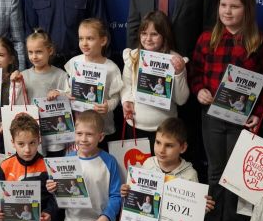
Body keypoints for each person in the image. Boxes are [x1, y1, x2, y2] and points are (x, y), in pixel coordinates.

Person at [189, 0, 263, 221]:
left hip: (243, 121)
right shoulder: (207, 38)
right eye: (223, 5)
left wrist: (259, 113)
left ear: (247, 9)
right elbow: (195, 73)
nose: (227, 11)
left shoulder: (260, 42)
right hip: (212, 117)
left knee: (237, 176)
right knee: (216, 171)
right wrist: (200, 90)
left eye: (234, 6)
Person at [46, 110, 122, 221]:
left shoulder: (109, 161)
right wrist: (53, 189)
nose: (83, 139)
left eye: (89, 134)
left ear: (100, 137)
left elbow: (116, 196)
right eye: (79, 133)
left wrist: (104, 219)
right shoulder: (66, 160)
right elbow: (61, 197)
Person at [121, 11, 189, 152]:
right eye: (144, 33)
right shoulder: (133, 56)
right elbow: (126, 85)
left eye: (154, 34)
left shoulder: (175, 60)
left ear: (164, 35)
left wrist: (179, 73)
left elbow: (181, 100)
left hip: (165, 131)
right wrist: (126, 101)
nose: (148, 39)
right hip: (135, 126)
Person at [62, 18, 122, 147]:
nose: (84, 43)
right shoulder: (74, 63)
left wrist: (108, 106)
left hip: (103, 129)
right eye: (81, 38)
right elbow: (67, 88)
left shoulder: (111, 68)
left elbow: (116, 97)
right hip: (80, 130)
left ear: (103, 41)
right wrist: (66, 94)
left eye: (90, 38)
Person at [10, 29, 69, 157]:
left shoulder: (61, 75)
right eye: (30, 52)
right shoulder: (23, 76)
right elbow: (15, 103)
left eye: (38, 52)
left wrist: (59, 93)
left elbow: (70, 100)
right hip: (31, 136)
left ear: (50, 50)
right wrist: (16, 84)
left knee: (54, 163)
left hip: (55, 136)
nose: (34, 56)